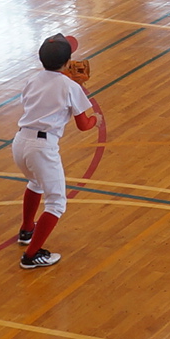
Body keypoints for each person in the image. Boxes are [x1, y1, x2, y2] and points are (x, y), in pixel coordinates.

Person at [12, 33, 99, 269]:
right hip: (43, 147)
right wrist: (96, 120)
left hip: (20, 142)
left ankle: (26, 230)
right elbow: (83, 125)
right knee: (57, 203)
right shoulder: (71, 86)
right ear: (68, 61)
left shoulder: (32, 79)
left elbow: (41, 100)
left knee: (35, 184)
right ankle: (31, 256)